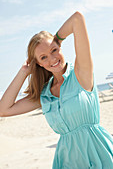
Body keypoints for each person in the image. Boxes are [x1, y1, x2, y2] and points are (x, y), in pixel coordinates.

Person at [0, 11, 113, 168]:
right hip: (67, 161)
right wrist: (24, 72)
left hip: (98, 154)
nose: (52, 58)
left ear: (60, 48)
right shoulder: (44, 95)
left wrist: (57, 39)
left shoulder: (81, 74)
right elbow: (4, 109)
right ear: (38, 63)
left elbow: (77, 19)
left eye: (54, 50)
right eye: (43, 57)